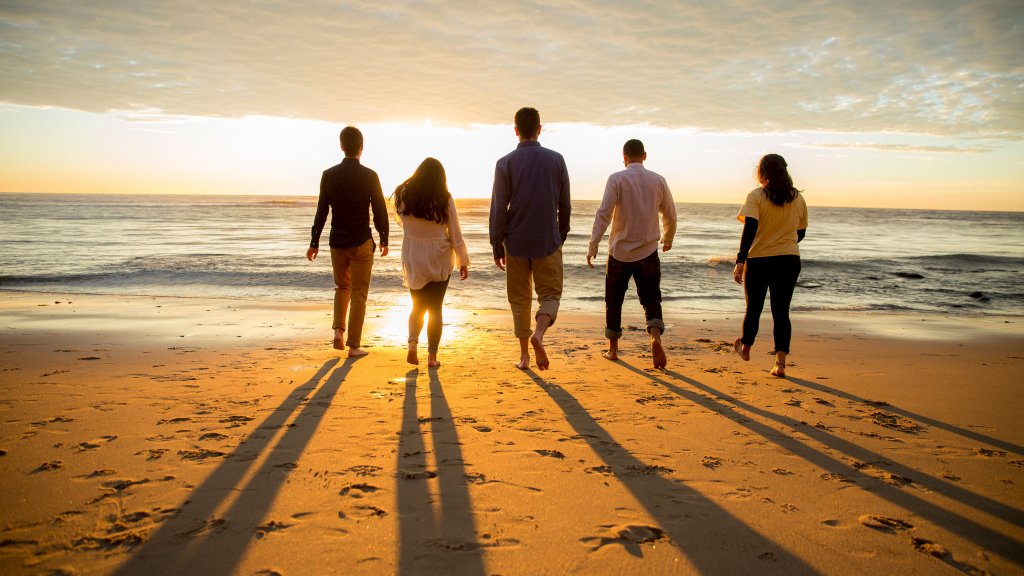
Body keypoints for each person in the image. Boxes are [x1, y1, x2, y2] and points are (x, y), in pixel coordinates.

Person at [489, 107, 571, 370]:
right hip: (547, 238)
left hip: (515, 241)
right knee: (550, 293)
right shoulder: (557, 160)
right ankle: (539, 334)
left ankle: (524, 356)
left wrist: (496, 243)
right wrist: (561, 233)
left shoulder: (505, 163)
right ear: (539, 128)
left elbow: (499, 206)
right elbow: (564, 204)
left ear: (516, 131)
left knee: (519, 299)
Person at [587, 139, 677, 368]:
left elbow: (604, 212)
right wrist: (668, 238)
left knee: (614, 301)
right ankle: (655, 337)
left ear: (624, 157)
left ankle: (613, 350)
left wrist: (594, 243)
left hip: (619, 253)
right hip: (647, 251)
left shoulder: (616, 178)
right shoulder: (659, 180)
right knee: (651, 299)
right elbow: (670, 214)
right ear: (644, 156)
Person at [306, 126, 389, 357]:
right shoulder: (370, 176)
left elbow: (321, 211)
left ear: (342, 147)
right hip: (361, 241)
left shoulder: (329, 175)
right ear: (361, 148)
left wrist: (314, 241)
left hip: (337, 242)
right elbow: (379, 210)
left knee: (342, 287)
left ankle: (338, 332)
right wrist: (384, 237)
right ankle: (354, 345)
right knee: (359, 294)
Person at [732, 153, 808, 377]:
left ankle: (745, 349)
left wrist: (740, 259)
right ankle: (780, 363)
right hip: (789, 260)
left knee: (753, 308)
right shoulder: (798, 198)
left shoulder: (756, 196)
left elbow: (750, 229)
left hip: (760, 260)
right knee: (781, 312)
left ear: (761, 173)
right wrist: (783, 242)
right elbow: (800, 232)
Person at [393, 158, 470, 368]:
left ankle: (411, 345)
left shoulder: (402, 194)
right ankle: (432, 357)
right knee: (435, 308)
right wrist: (463, 261)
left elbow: (402, 223)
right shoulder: (444, 198)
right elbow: (455, 232)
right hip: (438, 256)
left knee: (417, 305)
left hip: (412, 254)